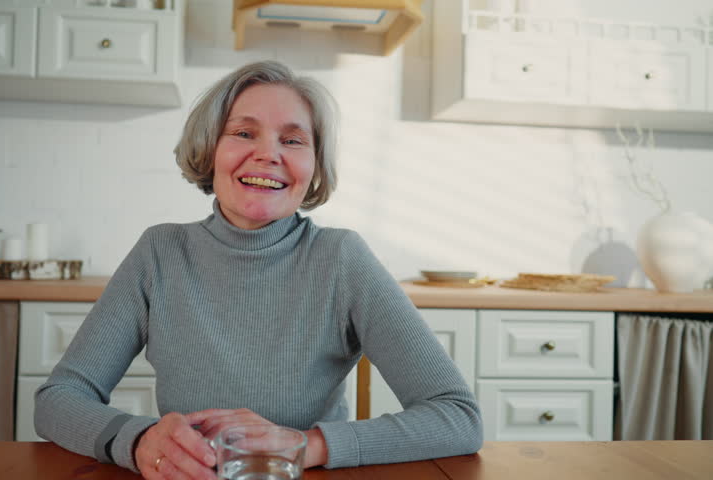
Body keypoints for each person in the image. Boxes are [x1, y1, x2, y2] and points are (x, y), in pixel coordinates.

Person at [34, 60, 482, 479]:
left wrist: (303, 445)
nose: (269, 154)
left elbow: (457, 417)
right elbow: (57, 402)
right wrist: (136, 441)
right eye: (244, 133)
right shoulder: (160, 251)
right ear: (210, 149)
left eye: (292, 140)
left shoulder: (342, 258)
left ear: (313, 166)